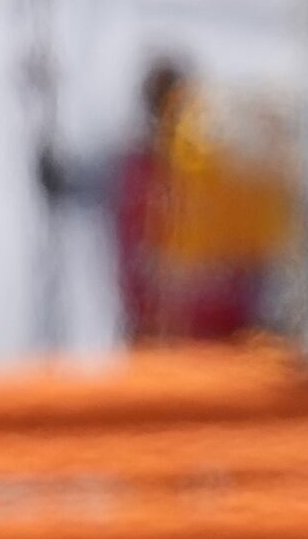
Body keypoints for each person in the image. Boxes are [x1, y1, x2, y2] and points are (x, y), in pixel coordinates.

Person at [110, 56, 296, 347]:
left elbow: (261, 258)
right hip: (161, 339)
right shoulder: (139, 173)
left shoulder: (219, 168)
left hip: (230, 338)